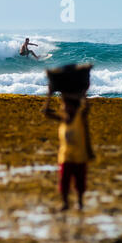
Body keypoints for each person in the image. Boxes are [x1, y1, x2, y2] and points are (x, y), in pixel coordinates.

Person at [41, 64, 95, 212]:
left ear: (74, 107)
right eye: (64, 106)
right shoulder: (62, 119)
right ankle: (65, 203)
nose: (64, 108)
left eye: (67, 106)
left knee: (80, 182)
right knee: (64, 182)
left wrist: (84, 94)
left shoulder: (79, 117)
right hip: (65, 156)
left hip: (79, 156)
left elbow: (87, 107)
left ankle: (80, 202)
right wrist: (49, 94)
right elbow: (45, 112)